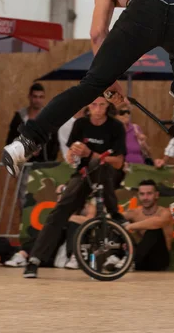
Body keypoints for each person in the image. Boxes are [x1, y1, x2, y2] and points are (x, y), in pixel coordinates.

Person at [2, 0, 174, 177]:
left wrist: (106, 80)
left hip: (145, 9)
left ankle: (24, 143)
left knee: (90, 85)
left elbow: (97, 32)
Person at [23, 96, 126, 278]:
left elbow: (118, 163)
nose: (98, 108)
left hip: (109, 175)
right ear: (88, 106)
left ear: (108, 105)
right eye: (94, 104)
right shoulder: (80, 124)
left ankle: (114, 213)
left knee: (101, 168)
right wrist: (72, 154)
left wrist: (92, 153)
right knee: (59, 212)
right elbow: (71, 153)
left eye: (102, 104)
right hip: (84, 174)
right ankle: (34, 260)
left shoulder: (116, 127)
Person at [123, 179, 173, 271]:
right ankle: (115, 259)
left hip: (159, 261)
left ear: (156, 195)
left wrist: (130, 226)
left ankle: (130, 262)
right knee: (117, 225)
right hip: (140, 260)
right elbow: (112, 219)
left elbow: (157, 222)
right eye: (142, 194)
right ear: (138, 195)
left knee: (154, 230)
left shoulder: (164, 213)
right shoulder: (134, 213)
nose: (145, 197)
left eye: (149, 193)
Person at [6, 82, 59, 163]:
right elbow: (10, 140)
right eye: (35, 97)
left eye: (41, 97)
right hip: (24, 164)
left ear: (44, 98)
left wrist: (50, 160)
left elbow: (55, 143)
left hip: (44, 165)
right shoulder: (19, 117)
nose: (38, 100)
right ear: (29, 97)